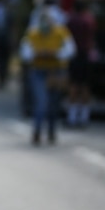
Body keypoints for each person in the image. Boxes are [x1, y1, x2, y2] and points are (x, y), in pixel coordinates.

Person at [20, 9, 75, 145]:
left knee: (53, 103)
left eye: (49, 20)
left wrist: (55, 54)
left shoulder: (61, 32)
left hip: (56, 72)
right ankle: (37, 132)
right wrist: (39, 54)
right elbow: (25, 53)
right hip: (38, 71)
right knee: (41, 102)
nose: (46, 23)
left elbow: (70, 50)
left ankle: (51, 131)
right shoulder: (33, 33)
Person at [66, 0, 96, 128]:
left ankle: (72, 116)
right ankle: (84, 116)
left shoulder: (71, 21)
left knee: (73, 85)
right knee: (84, 86)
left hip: (74, 55)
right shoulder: (88, 20)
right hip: (85, 55)